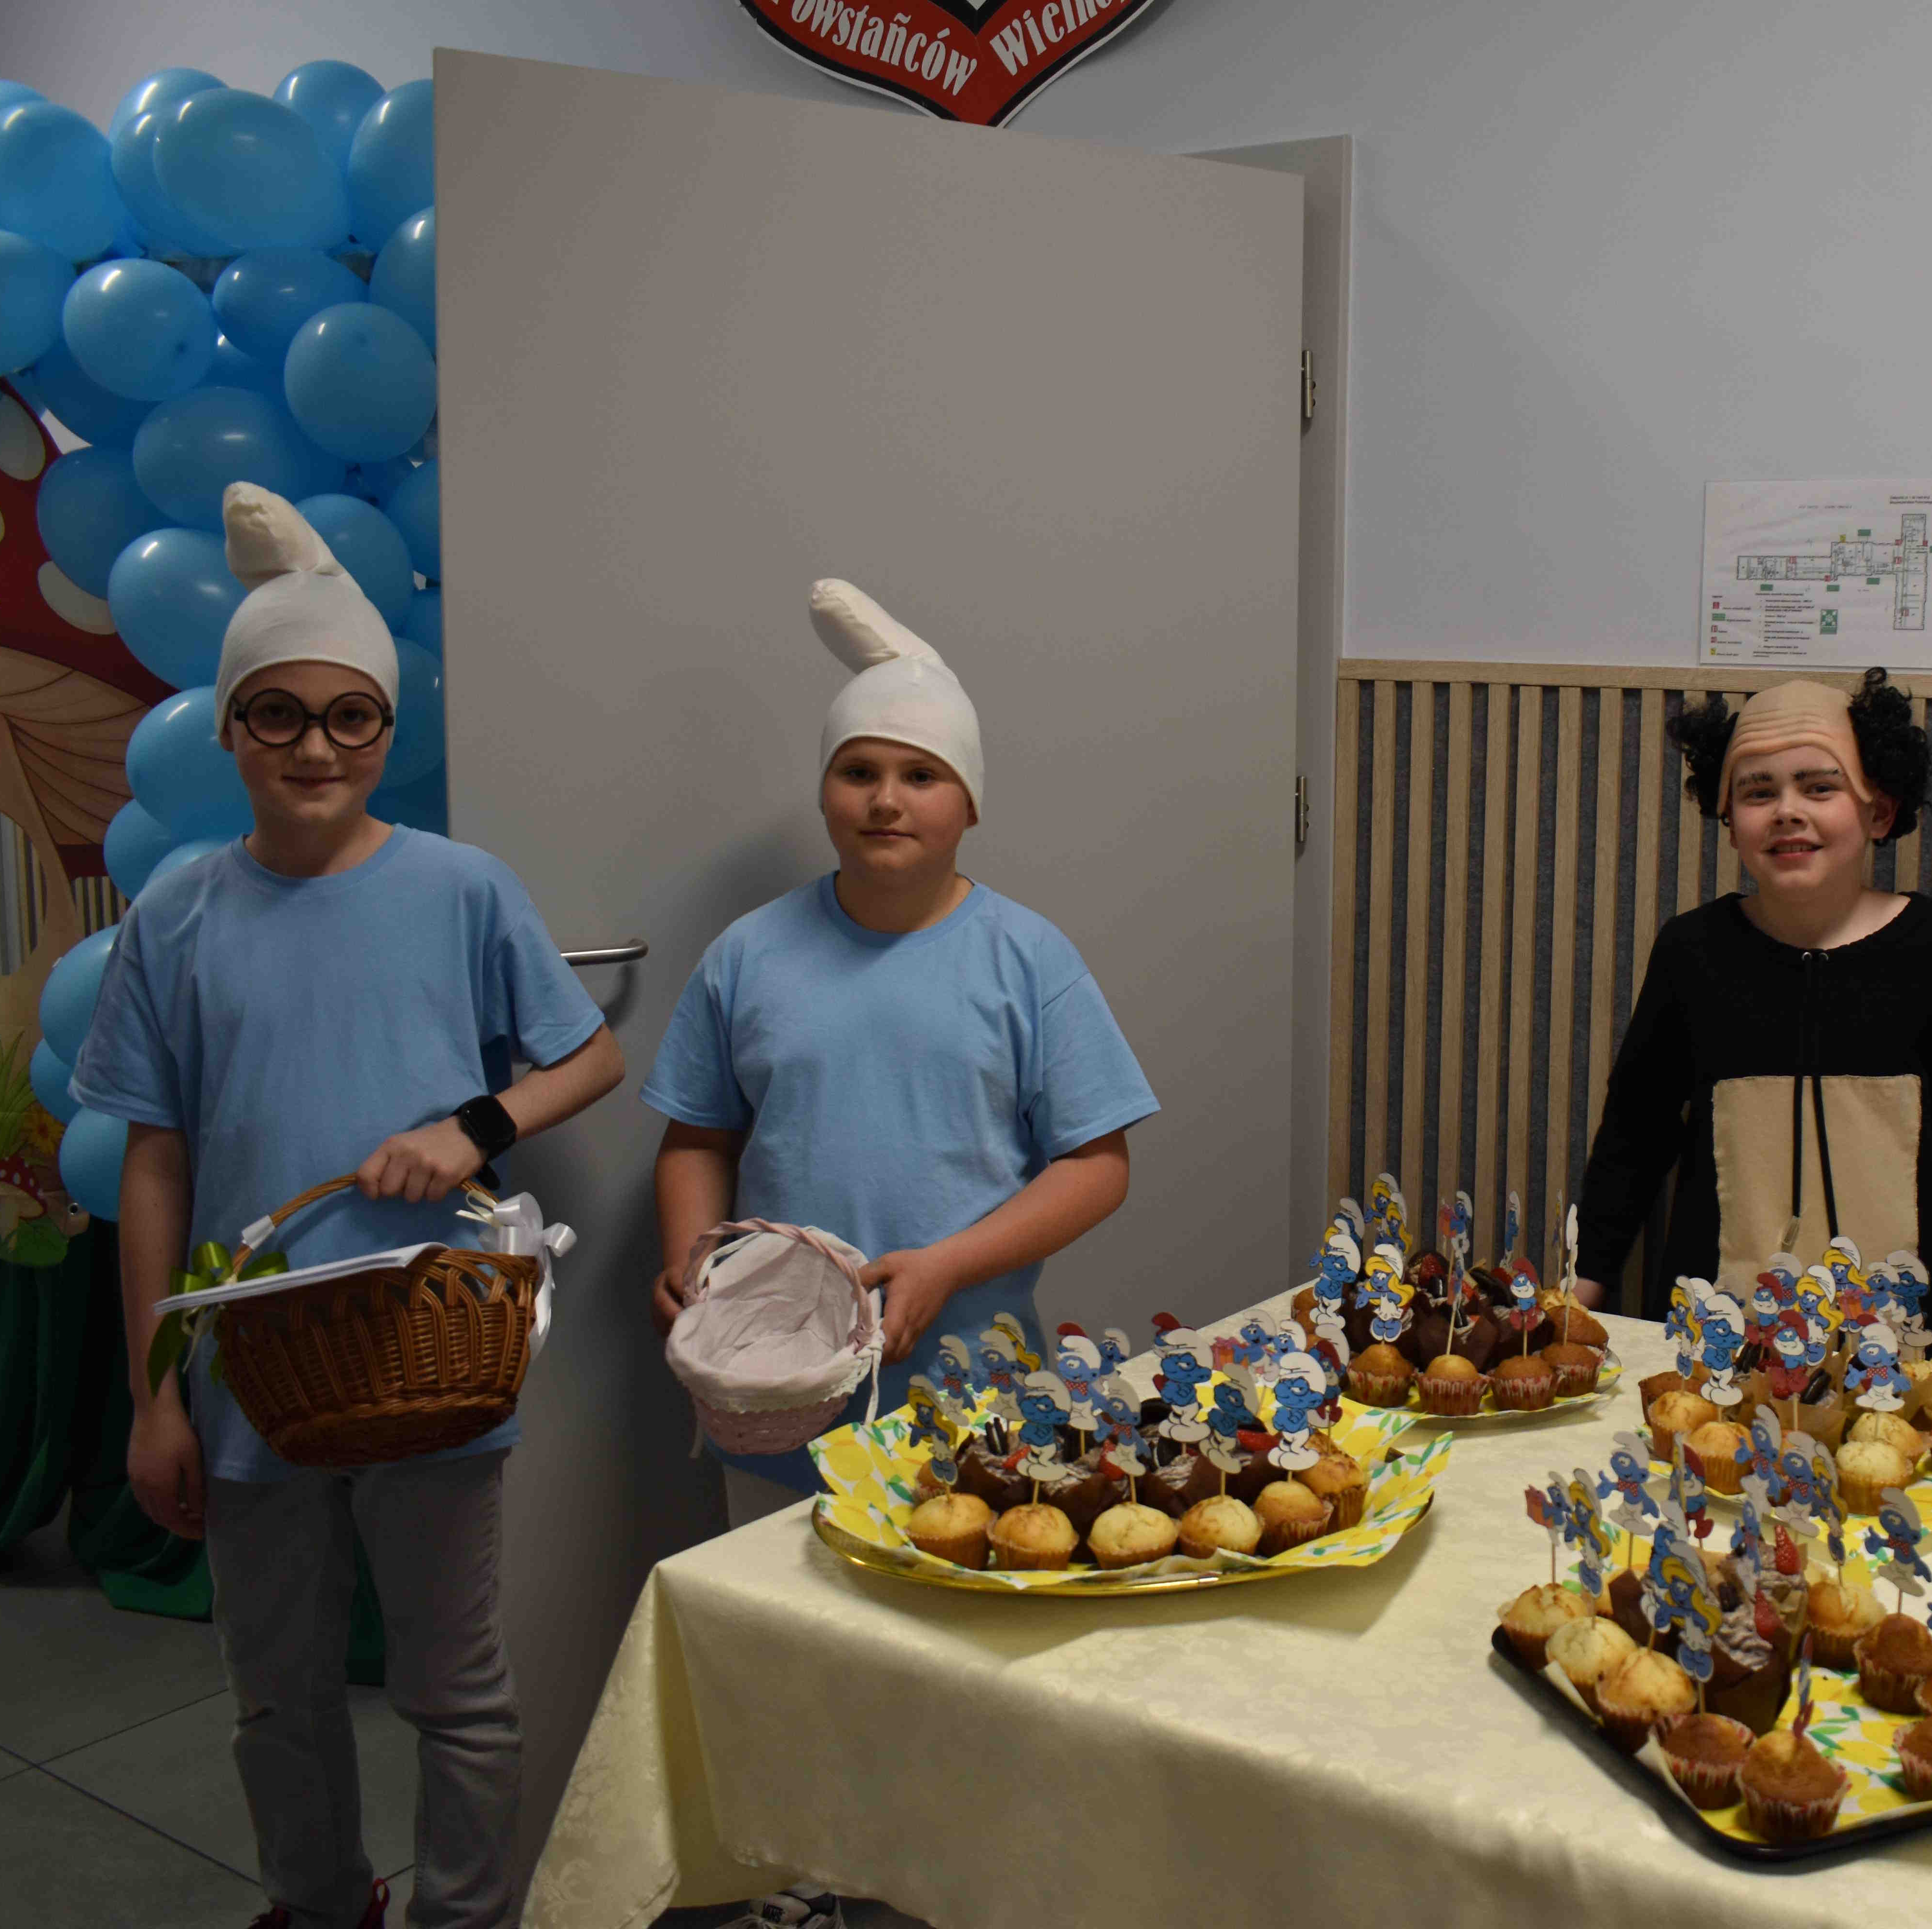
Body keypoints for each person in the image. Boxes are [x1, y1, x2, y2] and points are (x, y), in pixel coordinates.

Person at [73, 484, 626, 1929]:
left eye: (349, 716)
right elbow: (154, 1162)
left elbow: (590, 1056)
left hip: (433, 1358)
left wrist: (472, 1126)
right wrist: (155, 1393)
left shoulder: (462, 891)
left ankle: (465, 1915)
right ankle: (318, 1902)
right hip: (253, 1372)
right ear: (228, 728)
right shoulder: (176, 918)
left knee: (458, 1689)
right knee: (277, 1692)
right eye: (278, 714)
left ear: (386, 729)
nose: (316, 746)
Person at [640, 579, 1159, 1928]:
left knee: (951, 1656)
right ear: (824, 792)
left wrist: (946, 1264)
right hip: (778, 1384)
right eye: (858, 771)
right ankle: (800, 1883)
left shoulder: (1025, 960)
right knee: (786, 1644)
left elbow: (1097, 1163)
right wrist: (695, 1258)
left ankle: (946, 1887)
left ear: (968, 801)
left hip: (967, 1382)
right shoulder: (751, 957)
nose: (886, 800)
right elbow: (696, 1135)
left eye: (920, 775)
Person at [1572, 669, 1932, 1309]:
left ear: (1879, 812)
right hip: (1717, 1327)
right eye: (1758, 792)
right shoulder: (1691, 951)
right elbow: (1635, 1135)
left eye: (1820, 787)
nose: (1788, 811)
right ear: (1729, 822)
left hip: (1891, 1335)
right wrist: (1579, 1294)